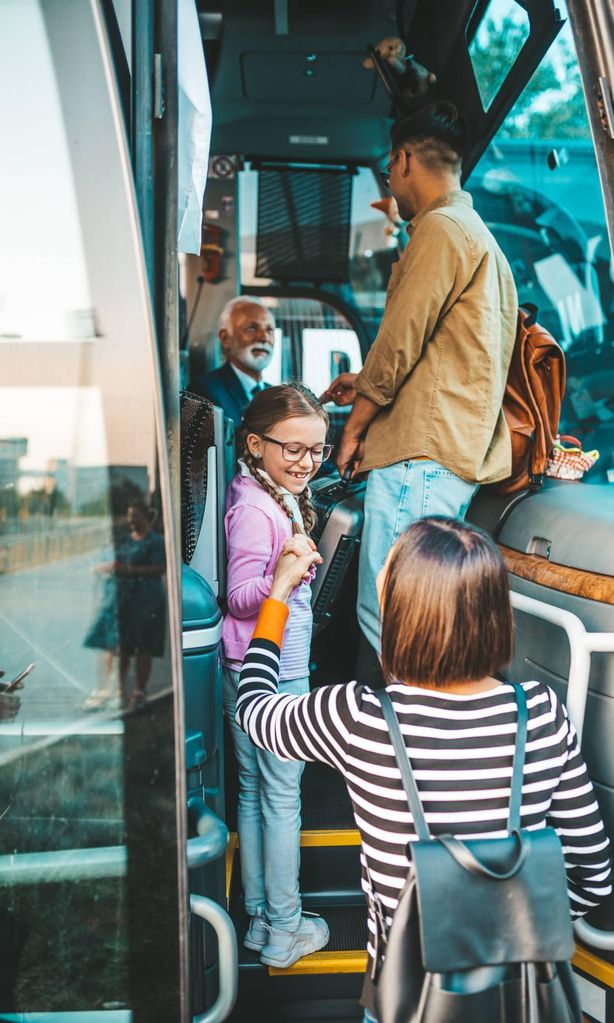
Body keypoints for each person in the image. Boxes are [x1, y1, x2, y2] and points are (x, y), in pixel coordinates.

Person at [235, 517, 612, 1021]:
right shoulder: (540, 712)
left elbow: (253, 706)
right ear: (497, 611)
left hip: (409, 996)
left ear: (398, 612)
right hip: (516, 995)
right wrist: (511, 925)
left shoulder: (357, 716)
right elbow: (593, 875)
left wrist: (278, 593)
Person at [321, 101, 518, 656]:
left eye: (389, 171)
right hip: (445, 452)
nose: (392, 184)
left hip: (418, 457)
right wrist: (362, 383)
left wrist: (353, 430)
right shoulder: (481, 239)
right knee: (422, 619)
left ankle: (400, 742)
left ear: (403, 160)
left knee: (391, 618)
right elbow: (442, 354)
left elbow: (400, 342)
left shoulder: (439, 229)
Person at [222, 382, 333, 968]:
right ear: (255, 444)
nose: (306, 463)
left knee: (257, 792)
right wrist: (288, 576)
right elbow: (240, 596)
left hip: (250, 667)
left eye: (317, 450)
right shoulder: (255, 510)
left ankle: (261, 917)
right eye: (292, 449)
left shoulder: (262, 493)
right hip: (270, 673)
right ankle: (287, 928)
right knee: (282, 799)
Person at [84, 500, 166, 711]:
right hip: (125, 599)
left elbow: (160, 568)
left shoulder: (156, 542)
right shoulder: (124, 540)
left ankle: (139, 690)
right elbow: (115, 562)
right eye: (129, 515)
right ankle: (119, 691)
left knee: (143, 646)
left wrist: (129, 569)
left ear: (147, 517)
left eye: (135, 515)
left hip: (147, 599)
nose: (131, 520)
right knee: (123, 646)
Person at [190, 297, 276, 427]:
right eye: (252, 328)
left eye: (269, 329)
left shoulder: (274, 394)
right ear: (225, 339)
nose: (264, 337)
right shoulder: (202, 394)